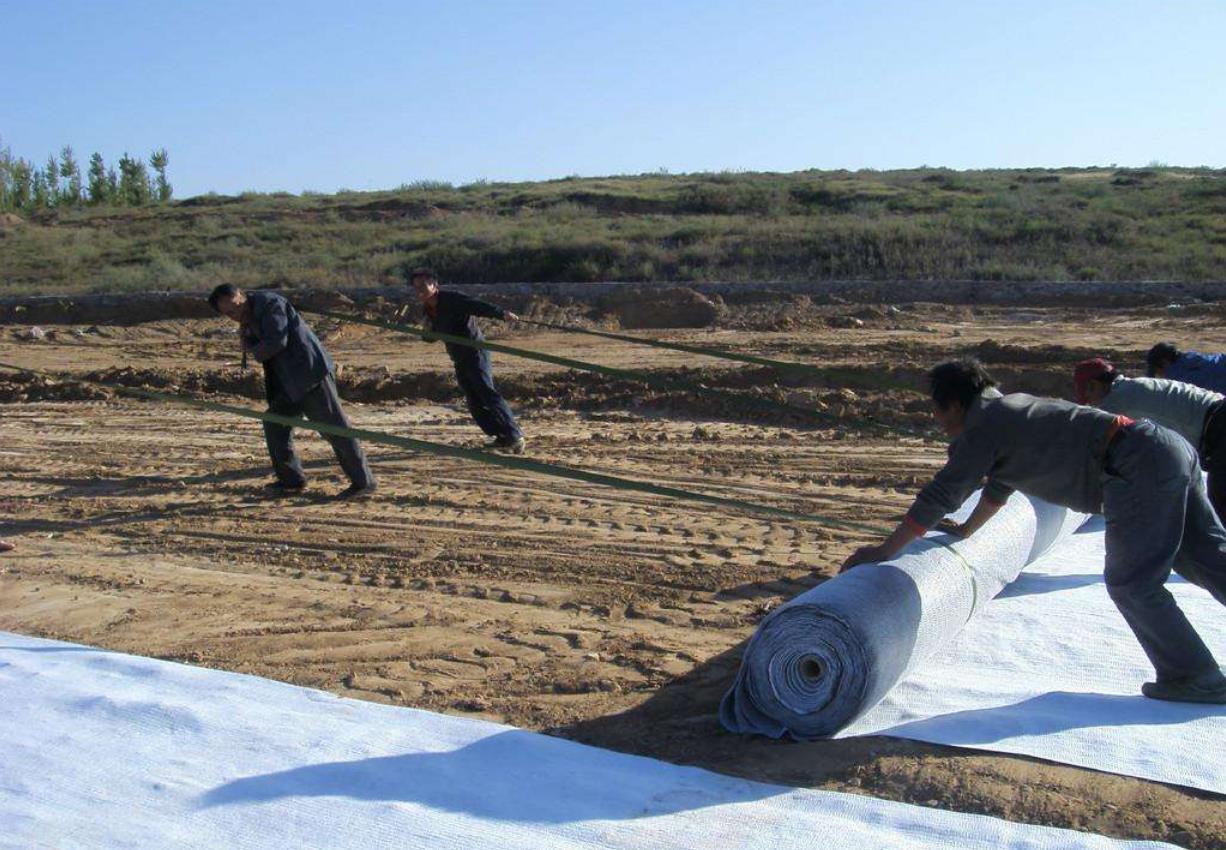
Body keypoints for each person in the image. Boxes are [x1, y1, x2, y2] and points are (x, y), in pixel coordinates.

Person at [842, 358, 1226, 704]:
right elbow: (1000, 485)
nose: (939, 422)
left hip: (1135, 464)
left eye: (938, 411)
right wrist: (969, 528)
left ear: (955, 405)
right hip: (1166, 448)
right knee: (1204, 557)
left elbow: (941, 494)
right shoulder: (1012, 408)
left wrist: (886, 551)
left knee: (1132, 582)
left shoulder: (983, 426)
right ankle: (1197, 675)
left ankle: (1194, 676)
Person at [208, 284, 376, 498]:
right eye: (229, 314)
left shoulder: (270, 304)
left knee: (335, 428)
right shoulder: (248, 317)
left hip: (309, 373)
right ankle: (291, 481)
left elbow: (277, 341)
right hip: (287, 380)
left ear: (241, 295)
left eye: (235, 308)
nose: (234, 315)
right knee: (275, 422)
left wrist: (252, 349)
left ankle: (364, 483)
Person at [1075, 357, 1226, 522]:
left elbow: (1093, 447)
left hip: (1218, 424)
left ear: (1094, 385)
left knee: (1219, 505)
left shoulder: (1115, 400)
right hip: (1218, 414)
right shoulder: (1133, 386)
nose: (1091, 404)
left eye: (1088, 398)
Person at [409, 268, 525, 453]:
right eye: (416, 288)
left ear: (434, 285)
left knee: (486, 392)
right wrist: (425, 332)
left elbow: (477, 306)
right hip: (458, 356)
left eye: (423, 286)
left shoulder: (451, 299)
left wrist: (501, 313)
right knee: (473, 398)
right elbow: (432, 337)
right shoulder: (428, 309)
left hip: (474, 352)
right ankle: (500, 436)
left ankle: (514, 436)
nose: (419, 291)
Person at [1147, 342, 1226, 394]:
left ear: (1165, 362)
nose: (1158, 375)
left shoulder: (1179, 381)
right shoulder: (1189, 358)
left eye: (1156, 370)